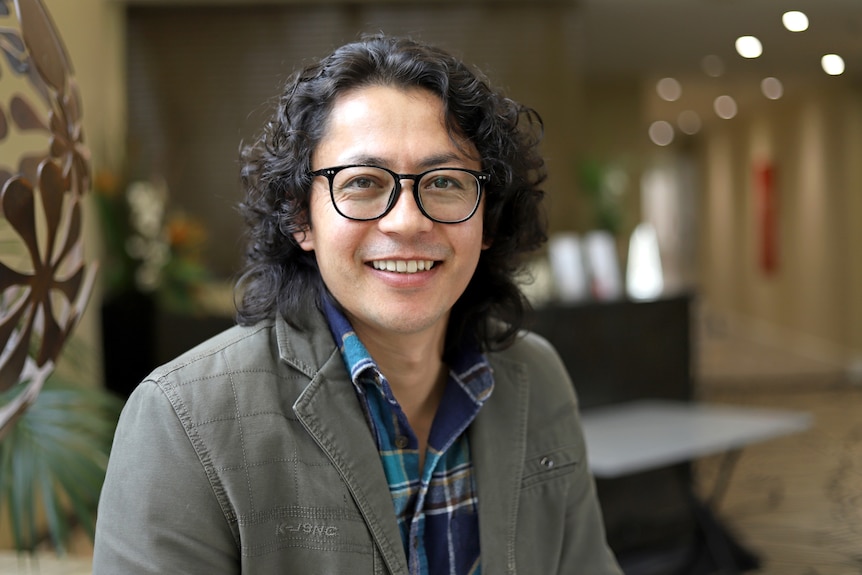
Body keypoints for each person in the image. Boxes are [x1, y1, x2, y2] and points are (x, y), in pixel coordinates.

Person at [93, 34, 622, 574]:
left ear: (487, 219)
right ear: (302, 217)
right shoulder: (184, 419)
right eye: (364, 182)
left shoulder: (537, 378)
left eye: (443, 181)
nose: (407, 221)